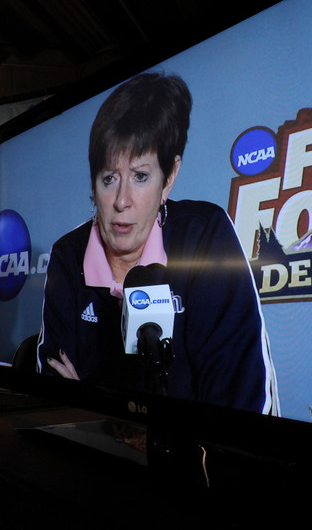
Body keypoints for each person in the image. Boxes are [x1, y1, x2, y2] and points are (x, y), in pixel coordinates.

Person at [36, 72, 278, 415]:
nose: (122, 201)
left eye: (140, 176)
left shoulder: (204, 235)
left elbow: (240, 401)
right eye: (109, 178)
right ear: (93, 184)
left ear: (169, 177)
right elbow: (57, 400)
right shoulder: (68, 255)